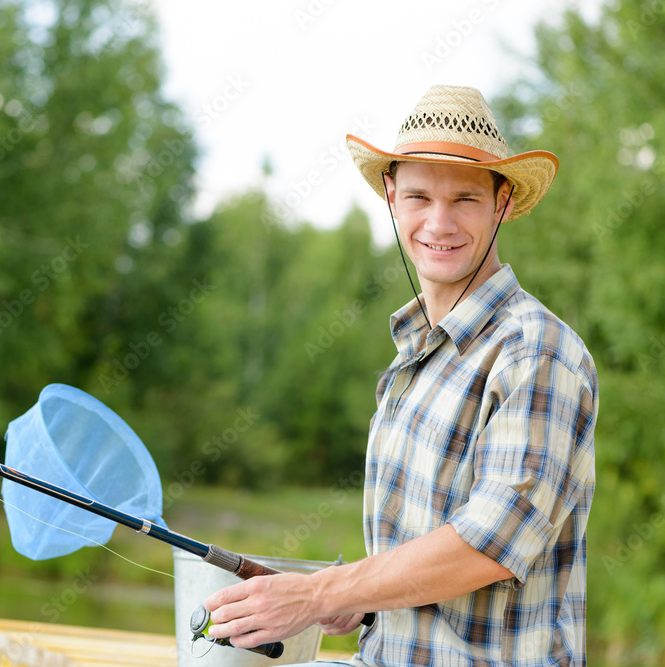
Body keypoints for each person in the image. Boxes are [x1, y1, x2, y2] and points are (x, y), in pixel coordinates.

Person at [203, 84, 599, 666]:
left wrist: (316, 592)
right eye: (418, 196)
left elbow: (487, 546)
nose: (439, 222)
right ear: (391, 196)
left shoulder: (537, 352)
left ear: (503, 201)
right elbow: (424, 552)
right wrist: (357, 603)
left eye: (465, 198)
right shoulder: (415, 355)